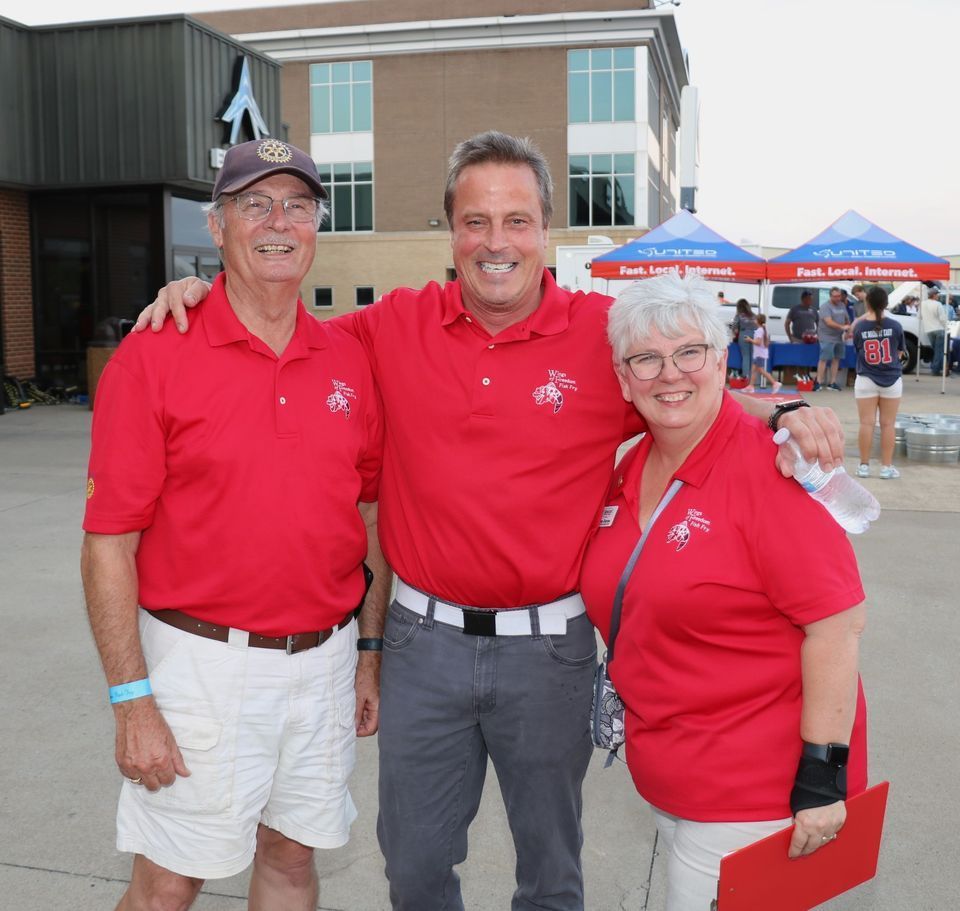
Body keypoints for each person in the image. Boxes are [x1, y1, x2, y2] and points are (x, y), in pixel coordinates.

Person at [137, 131, 846, 911]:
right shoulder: (394, 325)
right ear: (452, 230)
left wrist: (783, 408)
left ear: (545, 229)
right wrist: (201, 290)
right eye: (475, 221)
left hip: (550, 652)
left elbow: (682, 382)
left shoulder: (601, 333)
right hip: (423, 645)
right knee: (414, 867)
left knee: (550, 872)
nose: (496, 241)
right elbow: (277, 330)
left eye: (516, 221)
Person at [81, 138, 387, 911]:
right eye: (255, 204)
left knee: (290, 858)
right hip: (201, 666)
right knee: (167, 884)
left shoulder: (348, 358)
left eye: (298, 205)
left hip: (324, 662)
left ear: (317, 226)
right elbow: (108, 543)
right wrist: (132, 700)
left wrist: (368, 651)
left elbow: (370, 511)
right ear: (217, 227)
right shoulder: (153, 355)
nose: (278, 222)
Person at [581, 271, 868, 911]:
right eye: (646, 359)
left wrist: (823, 778)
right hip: (672, 775)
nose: (669, 374)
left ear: (721, 361)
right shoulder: (631, 467)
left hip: (752, 793)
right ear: (624, 379)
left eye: (689, 352)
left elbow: (837, 624)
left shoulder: (771, 469)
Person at [852, 285, 905, 479]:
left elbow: (858, 349)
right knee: (888, 425)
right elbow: (899, 352)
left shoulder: (860, 327)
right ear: (886, 303)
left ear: (867, 303)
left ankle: (864, 466)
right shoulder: (896, 326)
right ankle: (886, 467)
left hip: (866, 378)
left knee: (866, 423)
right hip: (891, 379)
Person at [815, 287, 851, 391]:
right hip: (826, 336)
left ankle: (832, 382)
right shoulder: (825, 307)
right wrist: (842, 327)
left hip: (838, 337)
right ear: (830, 296)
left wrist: (847, 331)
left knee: (836, 358)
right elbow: (828, 322)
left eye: (839, 296)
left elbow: (847, 319)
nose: (838, 298)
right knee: (824, 359)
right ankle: (818, 382)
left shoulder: (842, 305)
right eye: (835, 296)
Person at [743, 313, 781, 394]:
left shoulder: (759, 331)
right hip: (759, 354)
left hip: (759, 354)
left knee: (761, 370)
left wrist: (750, 340)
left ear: (758, 321)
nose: (754, 320)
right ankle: (751, 386)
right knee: (754, 370)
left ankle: (774, 383)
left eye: (755, 319)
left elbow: (758, 342)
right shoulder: (761, 330)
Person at [920, 285, 950, 376]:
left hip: (929, 330)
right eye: (937, 294)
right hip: (939, 329)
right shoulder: (938, 304)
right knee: (939, 351)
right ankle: (935, 370)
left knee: (935, 350)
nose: (938, 296)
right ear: (933, 295)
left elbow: (919, 316)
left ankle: (936, 368)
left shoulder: (922, 304)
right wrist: (946, 327)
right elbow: (942, 319)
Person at [731, 298, 757, 378]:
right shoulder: (754, 315)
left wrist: (734, 333)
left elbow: (735, 328)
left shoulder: (739, 315)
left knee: (746, 356)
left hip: (744, 334)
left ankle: (746, 376)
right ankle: (754, 379)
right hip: (755, 335)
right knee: (753, 356)